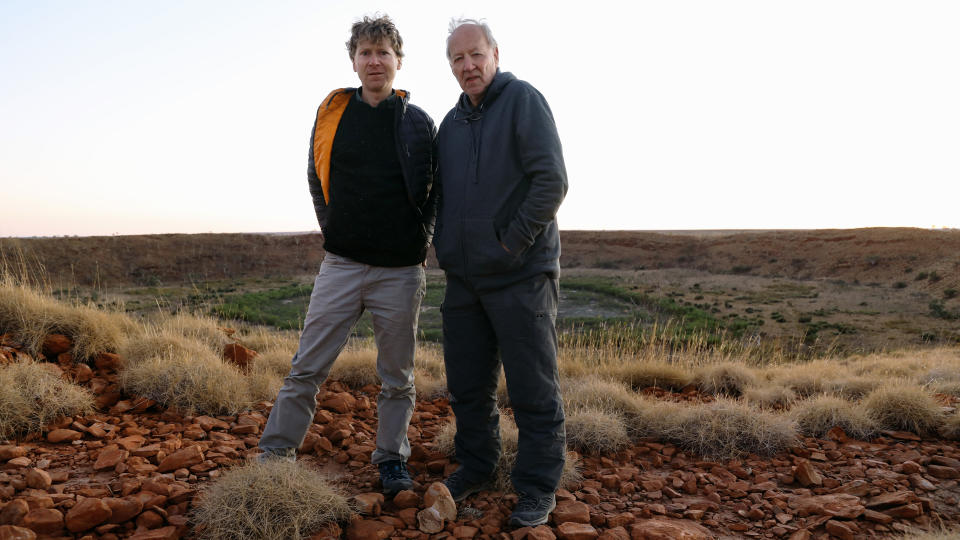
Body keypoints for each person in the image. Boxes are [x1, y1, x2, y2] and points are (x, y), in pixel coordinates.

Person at [257, 14, 437, 497]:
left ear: (398, 61)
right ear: (354, 61)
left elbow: (435, 190)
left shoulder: (418, 122)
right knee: (306, 368)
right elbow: (317, 179)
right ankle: (274, 453)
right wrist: (333, 228)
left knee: (397, 377)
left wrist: (422, 241)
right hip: (341, 264)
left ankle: (392, 460)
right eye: (366, 52)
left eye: (383, 52)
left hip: (400, 271)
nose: (374, 61)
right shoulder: (332, 114)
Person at [434, 18, 568, 528]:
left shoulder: (523, 101)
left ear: (495, 53)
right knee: (468, 385)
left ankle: (536, 487)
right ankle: (479, 465)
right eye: (457, 60)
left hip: (521, 275)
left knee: (532, 387)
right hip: (465, 279)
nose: (467, 66)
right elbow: (442, 196)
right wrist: (444, 244)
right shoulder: (451, 123)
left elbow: (551, 180)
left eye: (475, 55)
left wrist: (510, 243)